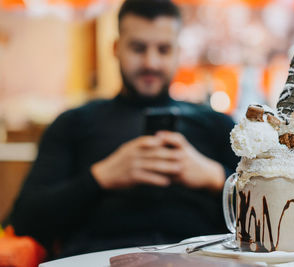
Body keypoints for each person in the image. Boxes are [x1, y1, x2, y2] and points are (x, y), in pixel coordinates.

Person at [10, 0, 238, 258]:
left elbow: (272, 217)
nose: (151, 62)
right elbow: (24, 221)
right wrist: (101, 177)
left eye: (163, 49)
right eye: (138, 48)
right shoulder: (73, 124)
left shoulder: (218, 126)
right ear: (117, 48)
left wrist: (215, 177)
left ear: (177, 52)